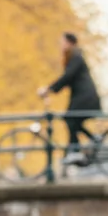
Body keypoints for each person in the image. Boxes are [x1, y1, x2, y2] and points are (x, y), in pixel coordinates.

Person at [38, 32, 101, 165]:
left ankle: (76, 151)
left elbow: (67, 77)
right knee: (72, 121)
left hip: (85, 98)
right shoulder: (76, 56)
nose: (61, 46)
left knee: (70, 119)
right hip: (84, 98)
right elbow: (68, 79)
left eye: (62, 42)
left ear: (69, 43)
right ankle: (92, 140)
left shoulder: (76, 56)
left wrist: (49, 89)